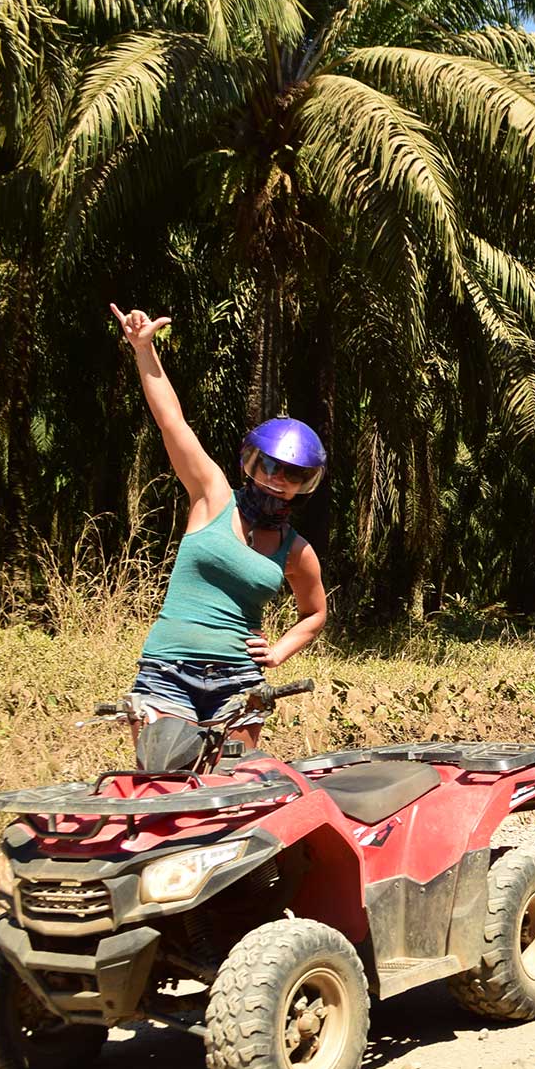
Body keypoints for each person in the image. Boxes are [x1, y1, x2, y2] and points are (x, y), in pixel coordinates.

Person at [115, 305, 327, 748]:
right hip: (168, 671)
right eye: (268, 465)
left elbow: (315, 613)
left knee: (232, 794)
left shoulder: (295, 549)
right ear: (252, 462)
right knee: (163, 784)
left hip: (239, 682)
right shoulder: (212, 495)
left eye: (290, 473)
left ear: (303, 484)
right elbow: (172, 422)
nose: (276, 478)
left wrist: (279, 651)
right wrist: (143, 348)